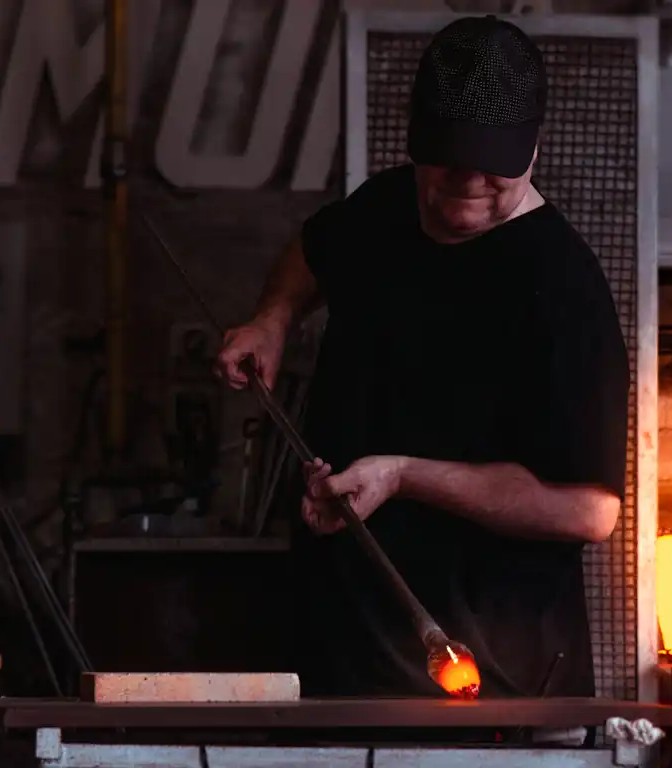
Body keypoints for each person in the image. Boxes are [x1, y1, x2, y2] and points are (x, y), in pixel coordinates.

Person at [217, 15, 629, 700]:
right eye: (448, 159)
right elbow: (316, 250)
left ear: (534, 147)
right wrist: (273, 319)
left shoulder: (563, 291)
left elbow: (589, 511)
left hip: (487, 679)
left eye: (488, 163)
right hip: (340, 652)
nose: (466, 182)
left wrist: (405, 475)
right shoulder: (387, 206)